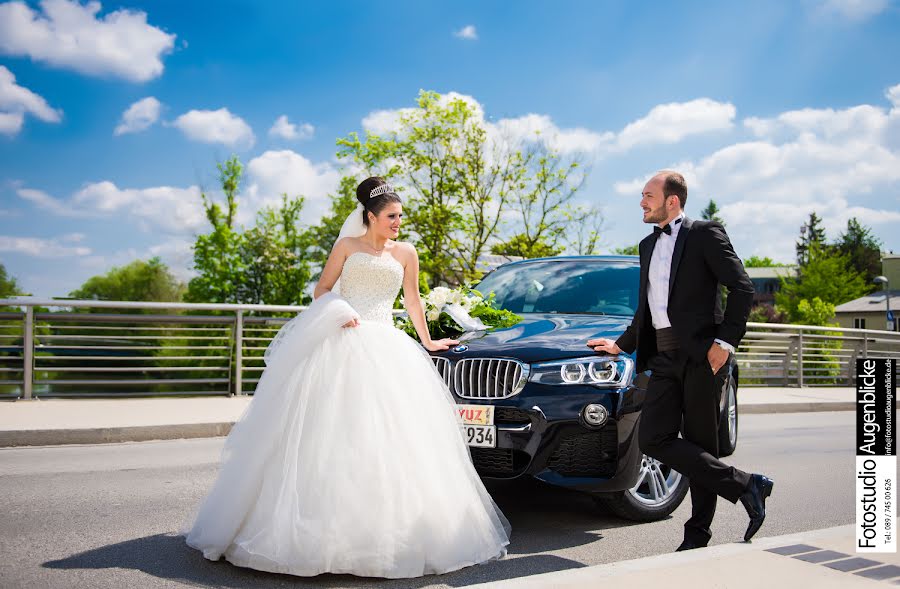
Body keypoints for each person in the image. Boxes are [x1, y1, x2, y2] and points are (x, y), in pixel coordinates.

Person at [183, 177, 510, 578]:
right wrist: (341, 312)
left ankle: (392, 536)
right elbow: (322, 289)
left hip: (388, 347)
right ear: (370, 217)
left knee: (393, 440)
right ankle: (316, 536)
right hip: (345, 341)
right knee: (331, 436)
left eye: (400, 216)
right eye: (391, 216)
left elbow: (411, 301)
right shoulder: (346, 248)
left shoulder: (406, 252)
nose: (397, 223)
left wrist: (427, 341)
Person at [587, 171, 773, 551]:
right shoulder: (646, 245)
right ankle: (746, 484)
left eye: (648, 195)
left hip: (704, 358)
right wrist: (622, 345)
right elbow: (646, 308)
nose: (641, 202)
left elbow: (742, 287)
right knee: (654, 438)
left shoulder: (705, 234)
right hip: (664, 358)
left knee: (700, 443)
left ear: (672, 200)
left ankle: (697, 537)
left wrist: (725, 342)